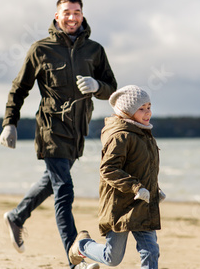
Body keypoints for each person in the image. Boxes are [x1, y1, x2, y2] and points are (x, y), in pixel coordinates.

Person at [0, 0, 117, 269]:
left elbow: (112, 88)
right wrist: (9, 122)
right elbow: (19, 89)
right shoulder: (41, 49)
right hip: (51, 128)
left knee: (50, 182)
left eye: (76, 12)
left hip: (78, 130)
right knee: (64, 190)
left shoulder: (95, 50)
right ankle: (76, 260)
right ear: (57, 16)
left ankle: (17, 217)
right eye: (66, 12)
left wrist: (97, 86)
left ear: (82, 15)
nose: (72, 17)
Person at [68, 85, 165, 269]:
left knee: (150, 251)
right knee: (112, 258)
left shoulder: (144, 134)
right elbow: (108, 169)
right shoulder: (120, 136)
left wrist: (154, 190)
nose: (147, 113)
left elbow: (145, 168)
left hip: (143, 204)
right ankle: (81, 246)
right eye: (141, 108)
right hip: (120, 206)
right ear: (127, 112)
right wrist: (136, 187)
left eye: (149, 107)